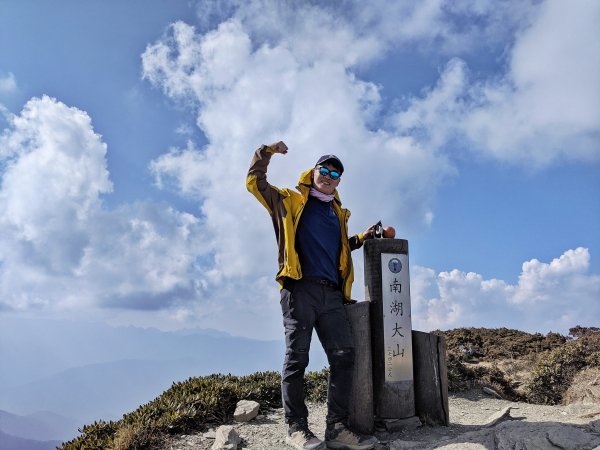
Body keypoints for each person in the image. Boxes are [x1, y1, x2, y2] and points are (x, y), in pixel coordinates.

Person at [246, 141, 378, 450]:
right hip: (299, 289)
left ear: (339, 181)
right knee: (297, 360)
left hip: (331, 294)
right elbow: (254, 183)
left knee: (344, 357)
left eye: (335, 173)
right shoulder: (289, 200)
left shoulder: (336, 212)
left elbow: (338, 247)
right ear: (313, 171)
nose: (329, 176)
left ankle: (336, 429)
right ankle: (296, 429)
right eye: (324, 170)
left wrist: (361, 237)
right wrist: (265, 152)